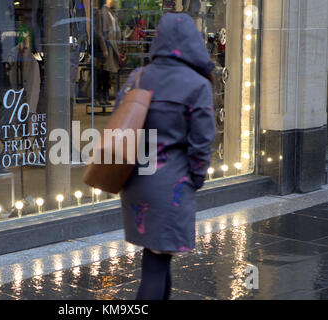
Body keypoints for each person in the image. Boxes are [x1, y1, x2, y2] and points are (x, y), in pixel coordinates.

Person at [115, 13, 216, 300]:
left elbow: (120, 120)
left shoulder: (139, 76)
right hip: (172, 185)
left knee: (158, 256)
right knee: (155, 265)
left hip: (136, 182)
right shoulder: (197, 85)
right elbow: (202, 142)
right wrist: (196, 178)